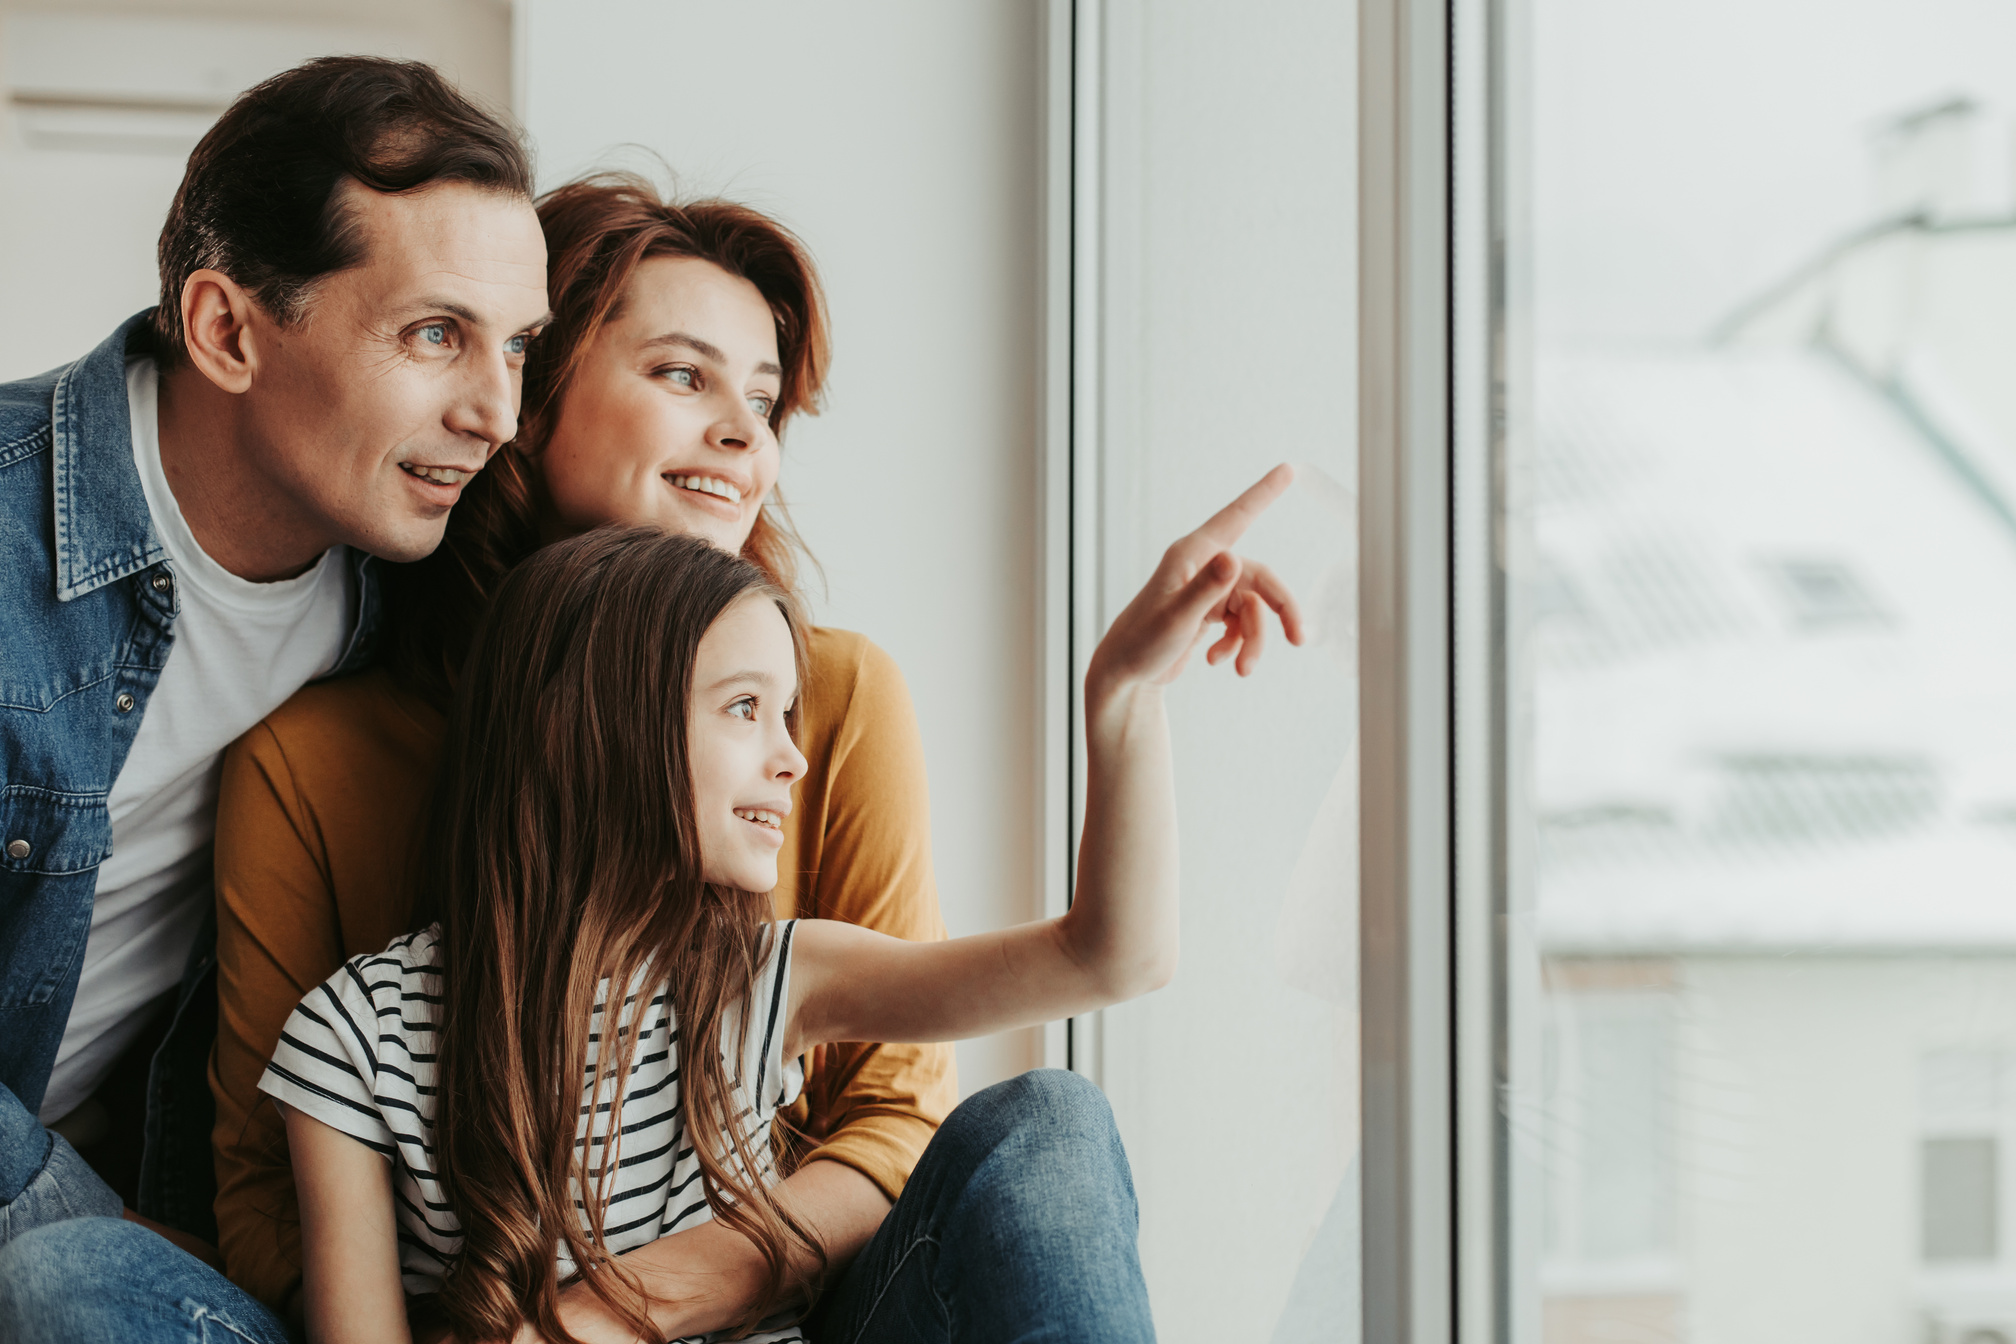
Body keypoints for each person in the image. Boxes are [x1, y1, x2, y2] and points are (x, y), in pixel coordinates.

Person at [206, 174, 1305, 1337]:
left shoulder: (786, 891)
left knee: (1048, 1123)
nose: (746, 436)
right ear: (521, 400)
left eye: (767, 399)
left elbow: (929, 1088)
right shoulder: (325, 842)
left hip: (793, 1305)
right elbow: (266, 1207)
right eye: (682, 374)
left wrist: (605, 1318)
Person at [268, 507, 1288, 1344]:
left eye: (790, 715)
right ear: (593, 727)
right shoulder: (353, 1039)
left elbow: (1112, 955)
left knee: (1049, 1118)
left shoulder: (766, 975)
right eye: (746, 708)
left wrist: (1123, 699)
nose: (793, 759)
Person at [0, 55, 551, 1344]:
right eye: (434, 334)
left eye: (515, 345)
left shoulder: (413, 586)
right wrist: (112, 1239)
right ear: (228, 331)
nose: (495, 412)